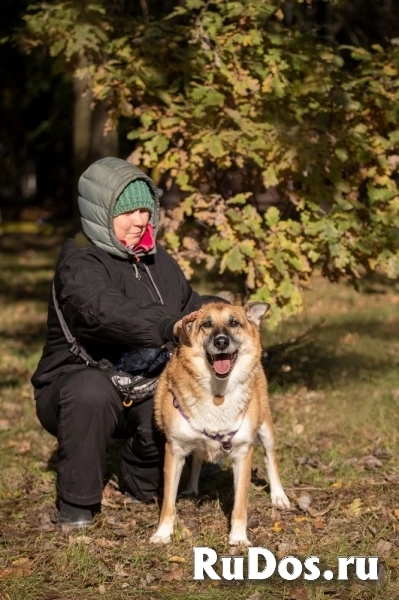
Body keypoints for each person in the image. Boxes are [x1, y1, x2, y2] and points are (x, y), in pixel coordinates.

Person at [31, 156, 226, 528]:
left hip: (146, 387)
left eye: (145, 210)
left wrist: (218, 309)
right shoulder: (79, 261)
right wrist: (167, 326)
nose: (140, 221)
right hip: (79, 384)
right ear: (100, 213)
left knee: (167, 423)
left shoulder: (156, 258)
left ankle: (139, 478)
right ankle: (77, 504)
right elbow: (106, 311)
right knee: (90, 392)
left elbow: (187, 302)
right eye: (128, 212)